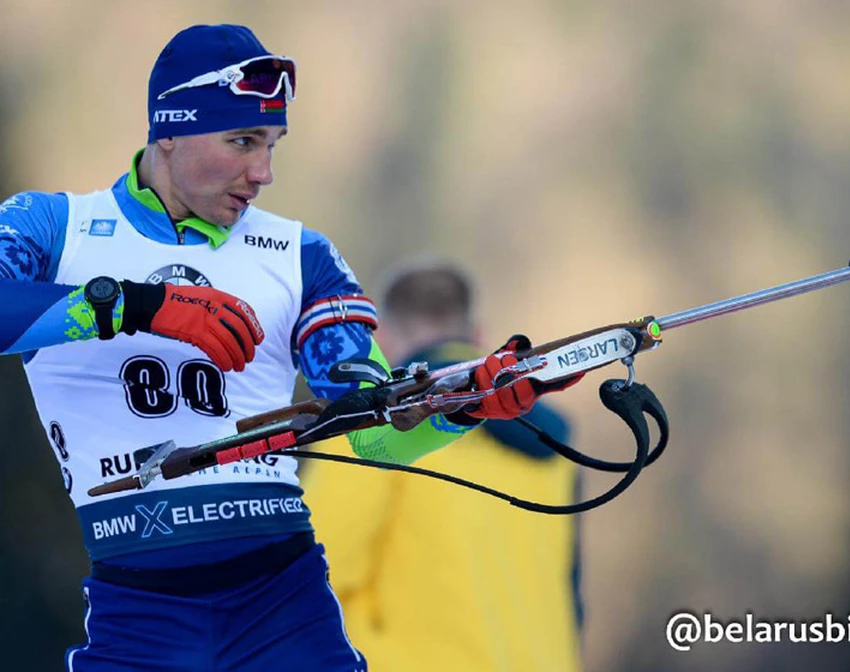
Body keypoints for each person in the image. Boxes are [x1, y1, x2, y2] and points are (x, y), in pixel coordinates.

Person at [0, 25, 580, 672]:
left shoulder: (301, 255)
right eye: (242, 141)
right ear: (168, 129)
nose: (263, 172)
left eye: (272, 144)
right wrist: (139, 306)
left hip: (283, 607)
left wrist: (466, 406)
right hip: (138, 615)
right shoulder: (53, 229)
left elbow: (374, 429)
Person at [301, 261, 583, 672]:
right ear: (478, 336)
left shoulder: (375, 427)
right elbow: (571, 598)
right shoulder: (555, 446)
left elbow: (313, 574)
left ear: (383, 339)